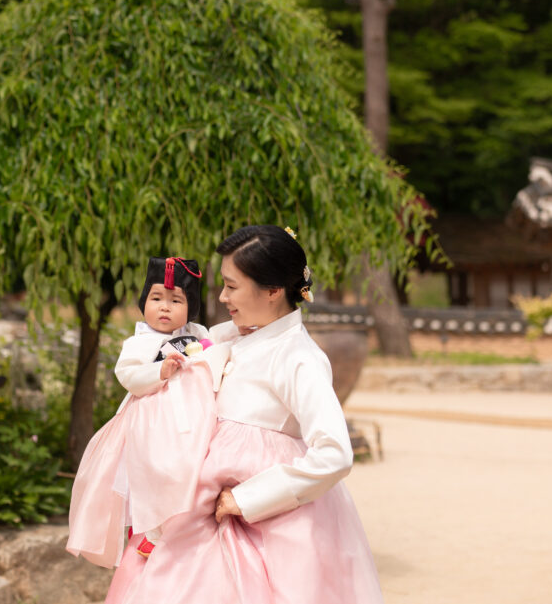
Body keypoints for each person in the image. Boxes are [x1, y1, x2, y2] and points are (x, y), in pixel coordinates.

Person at [105, 226, 383, 604]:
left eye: (232, 286)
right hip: (194, 514)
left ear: (272, 291)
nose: (222, 296)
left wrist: (248, 499)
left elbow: (335, 453)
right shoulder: (229, 337)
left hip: (265, 528)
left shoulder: (298, 358)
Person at [67, 256, 230, 567]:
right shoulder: (140, 342)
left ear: (190, 306)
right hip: (154, 420)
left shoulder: (199, 332)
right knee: (157, 469)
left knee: (195, 467)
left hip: (194, 416)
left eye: (175, 300)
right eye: (156, 298)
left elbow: (215, 354)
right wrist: (160, 371)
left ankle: (186, 523)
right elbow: (127, 375)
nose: (164, 307)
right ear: (144, 302)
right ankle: (152, 530)